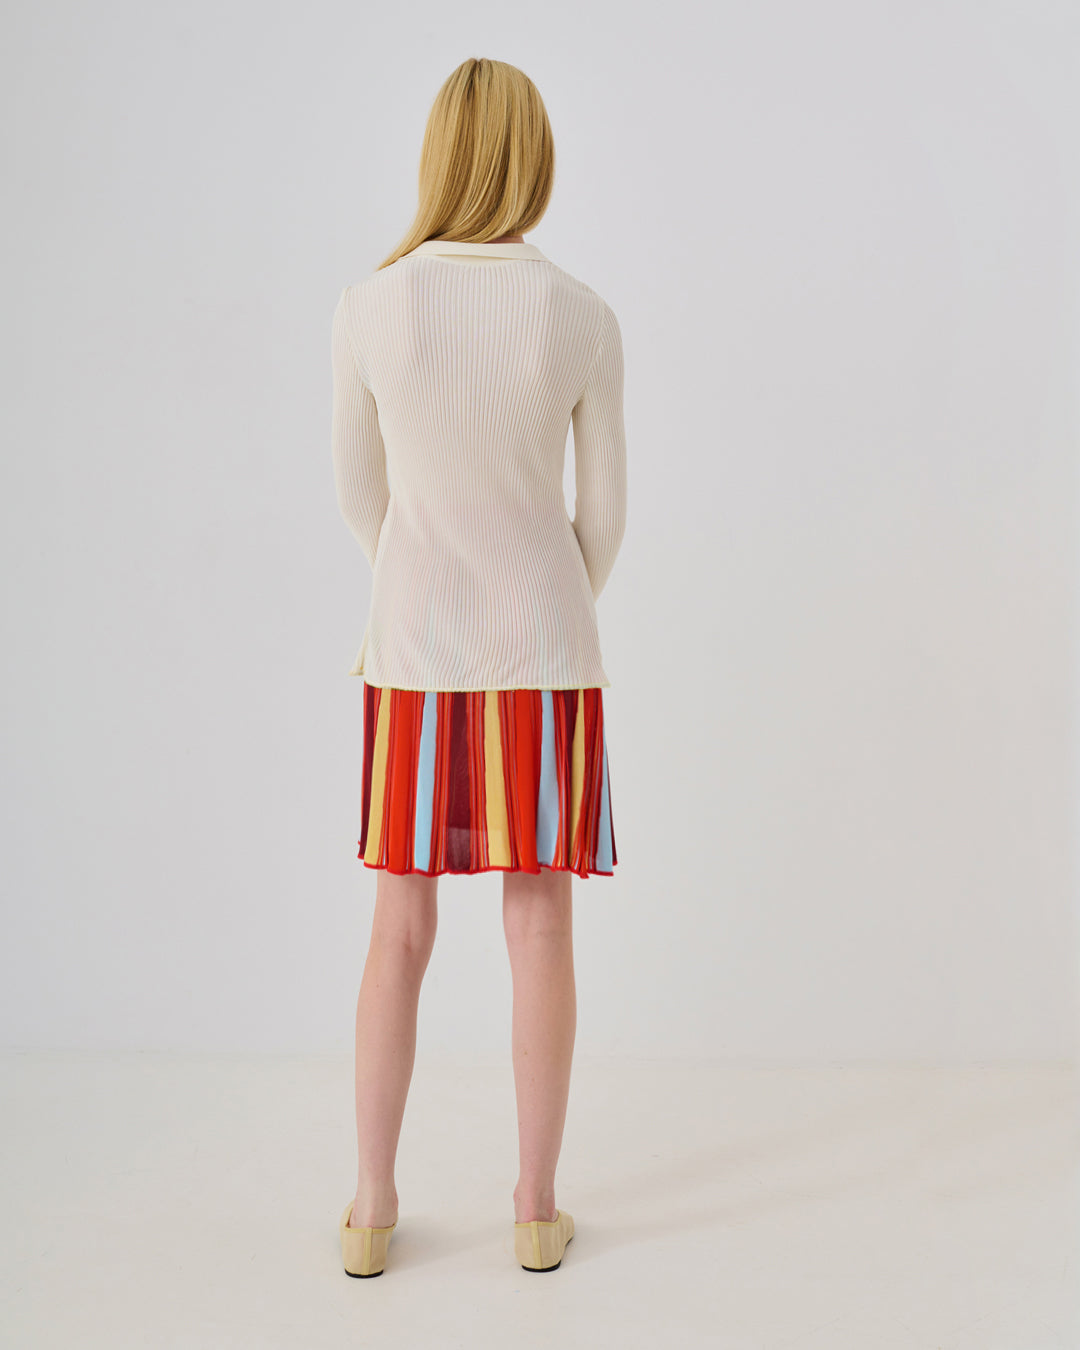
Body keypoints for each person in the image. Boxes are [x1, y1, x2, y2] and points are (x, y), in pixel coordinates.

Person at [330, 56, 626, 1277]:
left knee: (399, 926)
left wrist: (427, 582)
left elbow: (362, 499)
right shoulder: (581, 315)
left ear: (439, 155)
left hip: (412, 659)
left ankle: (370, 1207)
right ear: (533, 158)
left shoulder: (371, 307)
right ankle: (535, 1207)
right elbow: (603, 520)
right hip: (544, 659)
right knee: (539, 920)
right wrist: (539, 605)